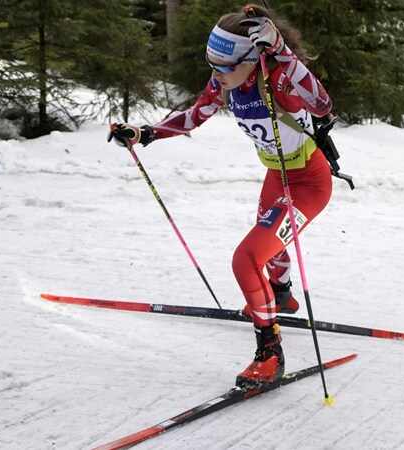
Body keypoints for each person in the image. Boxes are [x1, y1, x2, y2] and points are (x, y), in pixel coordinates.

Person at [107, 4, 333, 389]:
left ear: (253, 58)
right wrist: (145, 133)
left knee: (246, 259)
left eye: (224, 66)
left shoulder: (278, 78)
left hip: (309, 183)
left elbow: (322, 104)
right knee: (268, 246)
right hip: (276, 177)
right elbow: (194, 115)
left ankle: (270, 353)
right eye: (212, 64)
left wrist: (282, 54)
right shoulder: (227, 83)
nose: (216, 74)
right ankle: (280, 297)